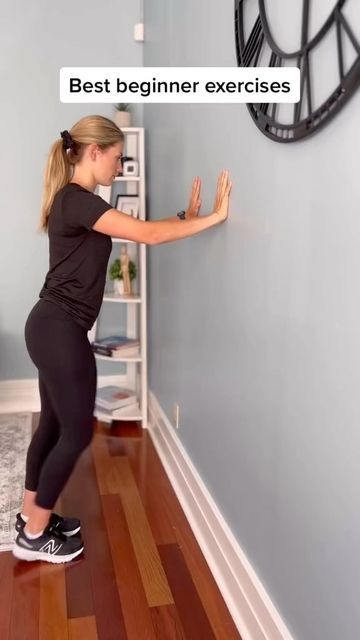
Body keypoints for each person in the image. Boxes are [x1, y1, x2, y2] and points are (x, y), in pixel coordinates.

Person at [13, 114, 232, 563]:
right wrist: (212, 218)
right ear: (95, 152)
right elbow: (147, 236)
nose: (120, 166)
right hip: (60, 330)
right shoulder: (77, 201)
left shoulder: (77, 201)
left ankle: (29, 515)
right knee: (75, 433)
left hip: (49, 326)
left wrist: (181, 217)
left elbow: (142, 229)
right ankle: (34, 536)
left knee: (54, 425)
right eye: (117, 157)